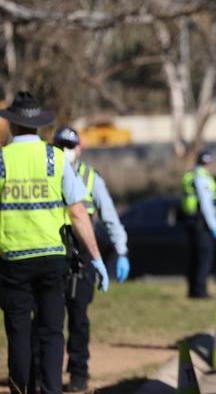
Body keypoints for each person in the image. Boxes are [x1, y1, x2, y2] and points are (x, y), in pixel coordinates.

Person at [0, 92, 109, 394]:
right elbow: (78, 211)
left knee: (18, 331)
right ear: (37, 126)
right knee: (51, 331)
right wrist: (96, 256)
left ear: (13, 125)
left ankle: (22, 388)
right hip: (51, 258)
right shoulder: (56, 158)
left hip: (12, 260)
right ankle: (51, 389)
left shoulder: (1, 160)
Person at [52, 126, 130, 392]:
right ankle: (41, 374)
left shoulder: (90, 177)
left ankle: (78, 373)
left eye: (70, 146)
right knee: (47, 318)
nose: (65, 151)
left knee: (78, 317)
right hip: (52, 250)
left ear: (80, 148)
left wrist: (121, 251)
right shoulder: (47, 171)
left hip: (83, 253)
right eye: (60, 145)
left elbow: (109, 216)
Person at [181, 150, 216, 298]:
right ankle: (200, 291)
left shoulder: (190, 176)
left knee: (195, 257)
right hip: (202, 224)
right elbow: (206, 205)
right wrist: (215, 226)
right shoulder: (202, 178)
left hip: (192, 222)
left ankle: (193, 290)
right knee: (204, 258)